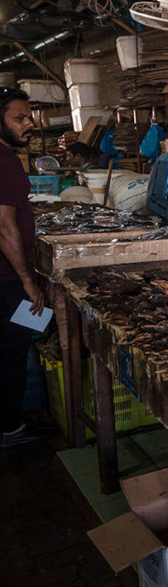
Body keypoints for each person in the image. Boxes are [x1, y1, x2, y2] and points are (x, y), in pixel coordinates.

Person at [0, 86, 46, 448]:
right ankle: (10, 427)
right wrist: (28, 281)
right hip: (5, 279)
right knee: (11, 351)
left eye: (29, 117)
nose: (29, 124)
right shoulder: (4, 160)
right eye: (20, 118)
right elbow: (4, 226)